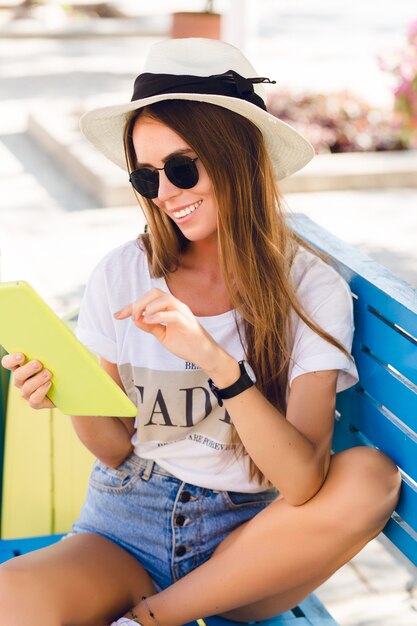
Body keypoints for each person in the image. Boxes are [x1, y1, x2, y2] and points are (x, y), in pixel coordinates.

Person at [0, 38, 400, 626]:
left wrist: (217, 363)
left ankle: (149, 620)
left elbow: (300, 481)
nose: (165, 195)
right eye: (146, 177)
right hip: (124, 526)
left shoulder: (309, 291)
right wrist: (67, 393)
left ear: (237, 155)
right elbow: (115, 448)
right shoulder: (123, 271)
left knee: (372, 477)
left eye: (182, 168)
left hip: (247, 549)